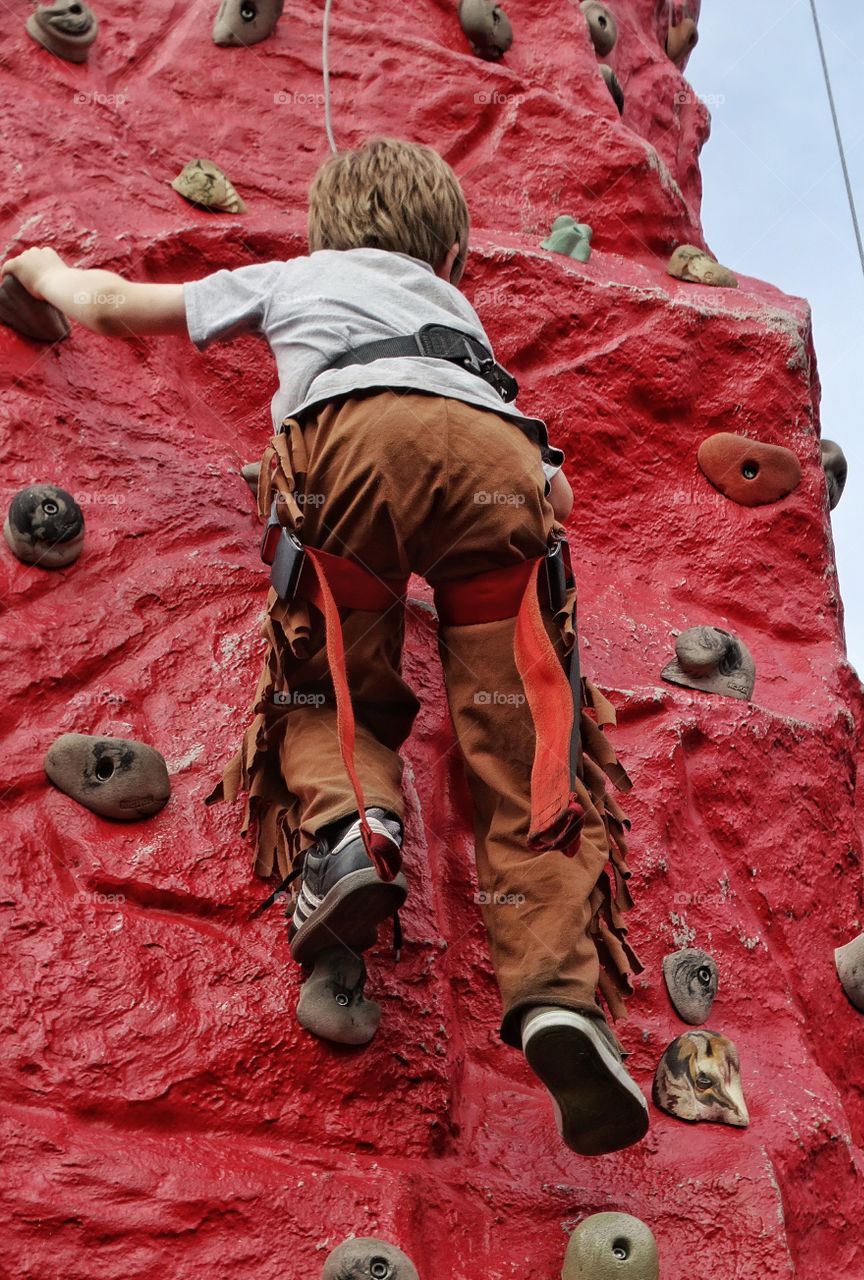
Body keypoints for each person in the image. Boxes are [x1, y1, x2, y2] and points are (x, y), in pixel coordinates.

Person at [1, 137, 648, 1156]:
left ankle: (353, 830)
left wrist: (38, 270)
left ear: (321, 227)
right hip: (496, 467)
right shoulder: (459, 316)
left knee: (327, 673)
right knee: (523, 742)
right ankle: (557, 995)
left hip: (349, 452)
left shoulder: (297, 274)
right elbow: (552, 488)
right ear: (453, 255)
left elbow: (117, 305)